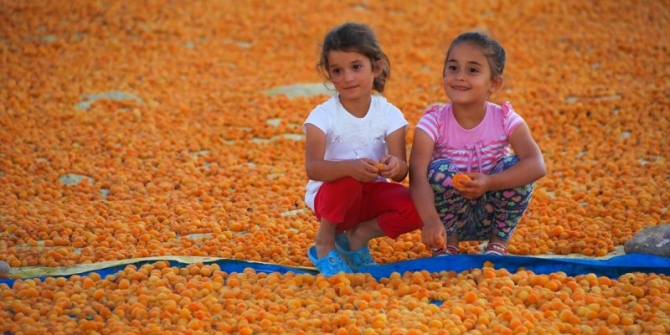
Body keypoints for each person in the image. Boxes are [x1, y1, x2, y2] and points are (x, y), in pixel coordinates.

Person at [409, 32, 546, 256]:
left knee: (516, 165)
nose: (460, 77)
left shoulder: (504, 119)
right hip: (449, 219)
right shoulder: (433, 122)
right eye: (453, 68)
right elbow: (416, 174)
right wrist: (431, 221)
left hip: (492, 215)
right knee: (438, 171)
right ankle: (448, 243)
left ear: (495, 83)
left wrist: (490, 182)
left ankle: (497, 243)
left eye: (472, 70)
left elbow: (537, 165)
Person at [303, 22, 422, 276]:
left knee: (422, 205)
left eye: (356, 67)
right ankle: (324, 244)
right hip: (332, 200)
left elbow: (400, 172)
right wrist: (350, 168)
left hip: (370, 193)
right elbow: (312, 168)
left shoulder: (389, 114)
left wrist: (394, 165)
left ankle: (359, 236)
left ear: (376, 67)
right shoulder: (322, 116)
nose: (347, 78)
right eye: (337, 71)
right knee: (348, 180)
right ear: (329, 74)